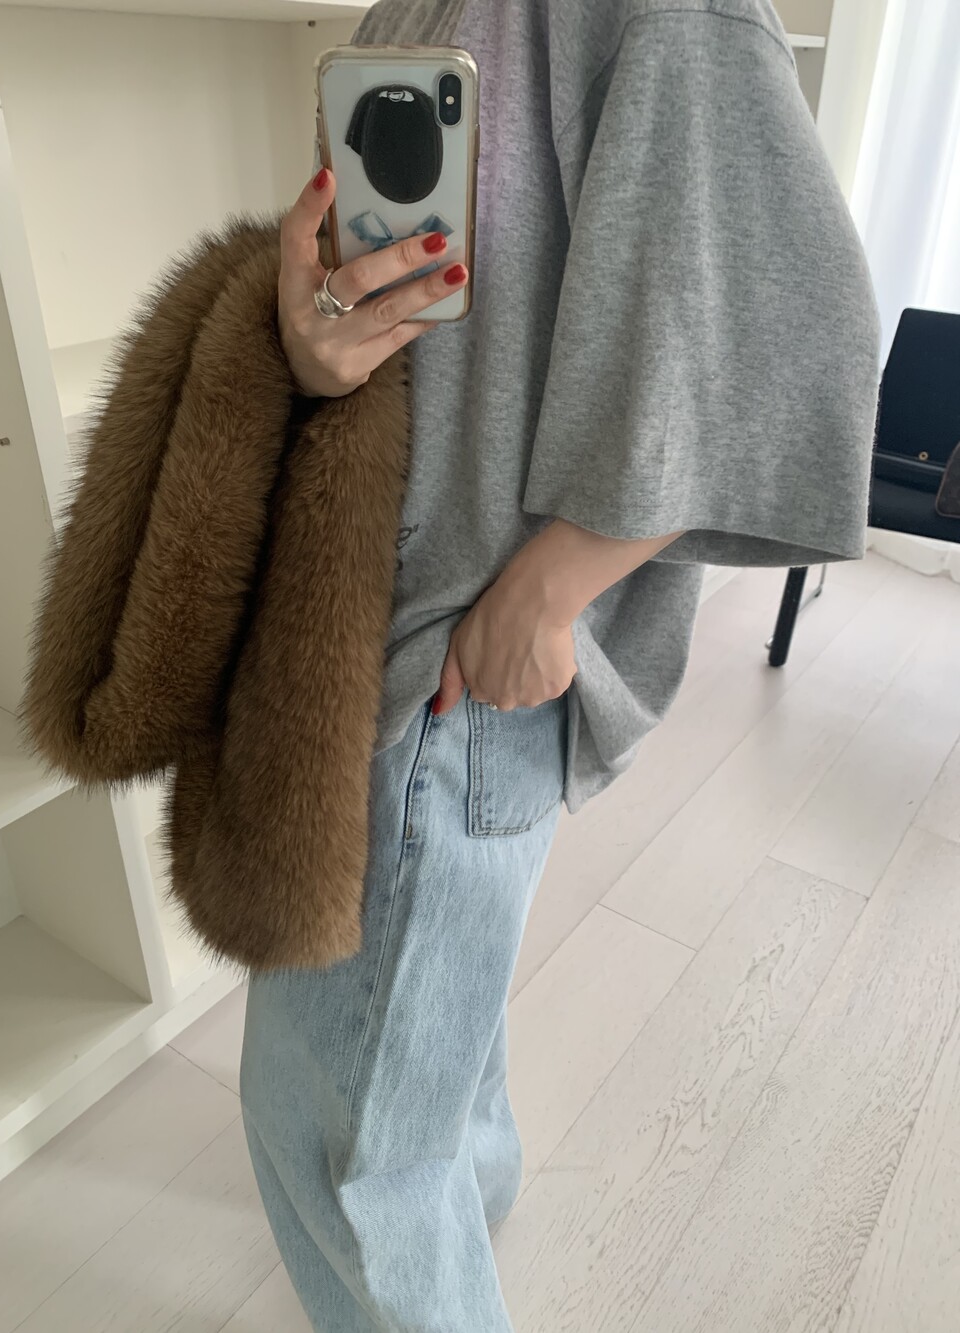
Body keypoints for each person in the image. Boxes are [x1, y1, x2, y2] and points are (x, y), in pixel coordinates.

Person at [238, 0, 882, 1327]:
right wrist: (315, 336)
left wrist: (559, 579)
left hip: (453, 660)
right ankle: (469, 1207)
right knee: (426, 1051)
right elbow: (410, 320)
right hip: (367, 621)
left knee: (342, 1140)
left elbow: (792, 325)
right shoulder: (407, 9)